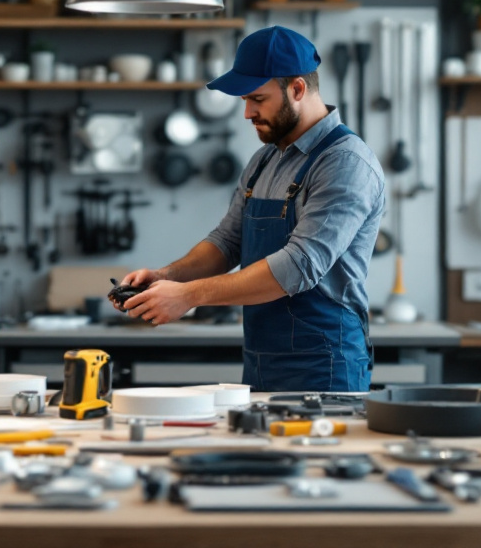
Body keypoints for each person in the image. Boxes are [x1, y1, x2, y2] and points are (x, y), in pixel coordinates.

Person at [117, 25, 386, 392]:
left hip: (325, 366)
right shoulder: (264, 160)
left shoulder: (345, 163)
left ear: (297, 89)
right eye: (245, 100)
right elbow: (228, 241)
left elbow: (298, 266)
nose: (247, 113)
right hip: (262, 360)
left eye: (257, 99)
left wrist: (189, 296)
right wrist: (169, 278)